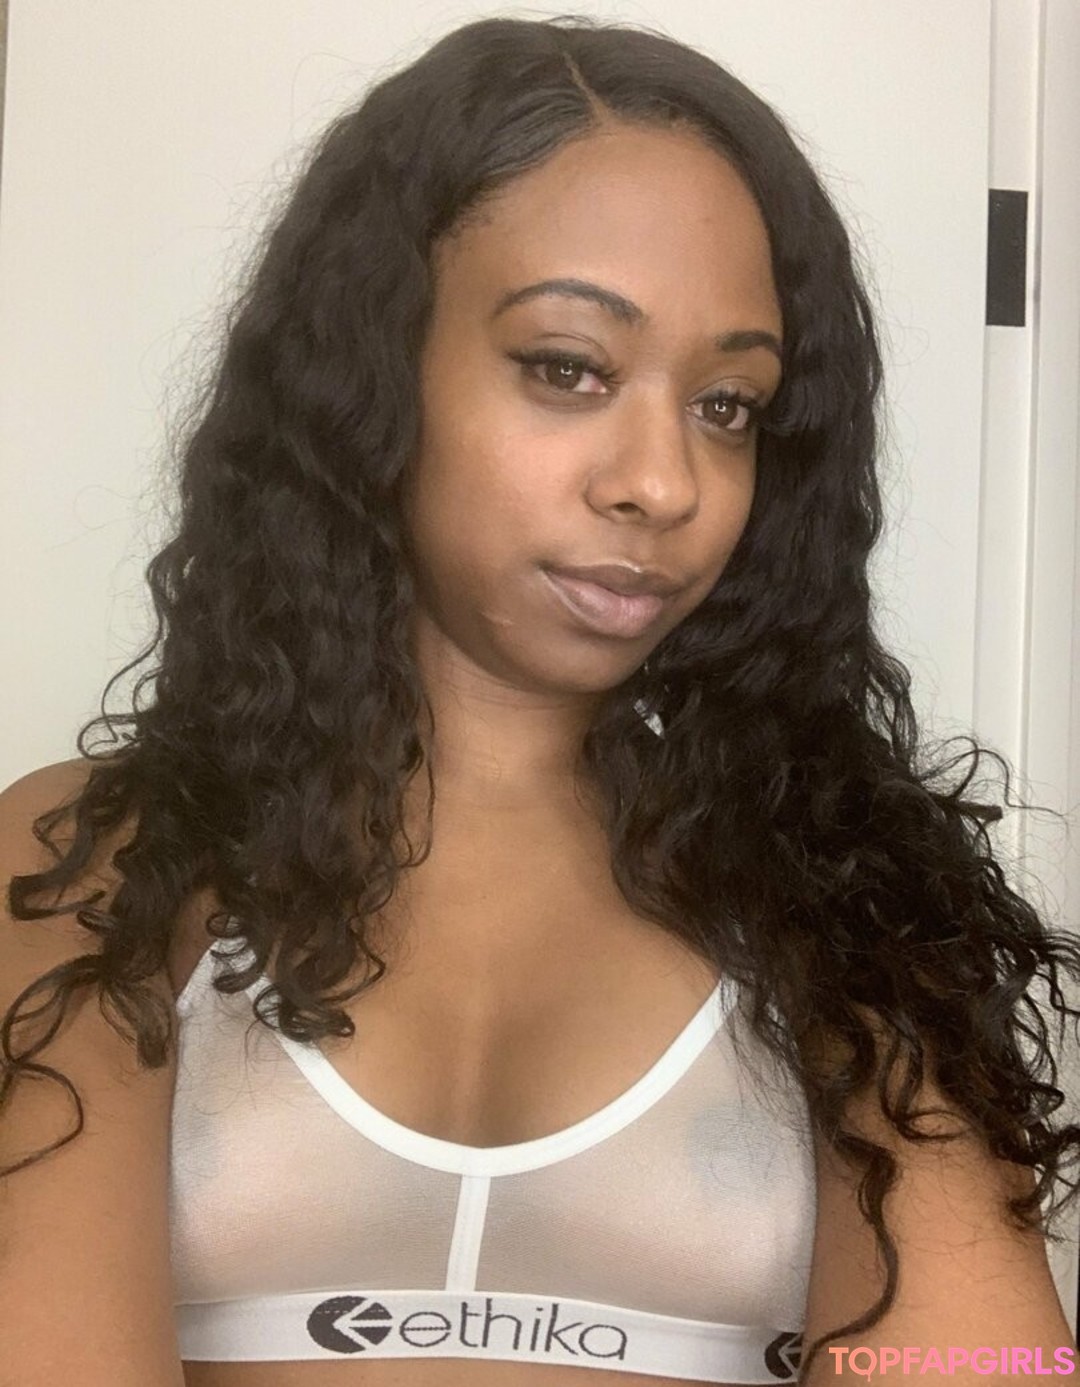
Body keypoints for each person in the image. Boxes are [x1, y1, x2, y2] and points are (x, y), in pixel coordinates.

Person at [1, 13, 1077, 1387]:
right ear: (373, 371)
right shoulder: (95, 866)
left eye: (728, 404)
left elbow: (984, 1370)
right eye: (568, 368)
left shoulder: (852, 907)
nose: (664, 483)